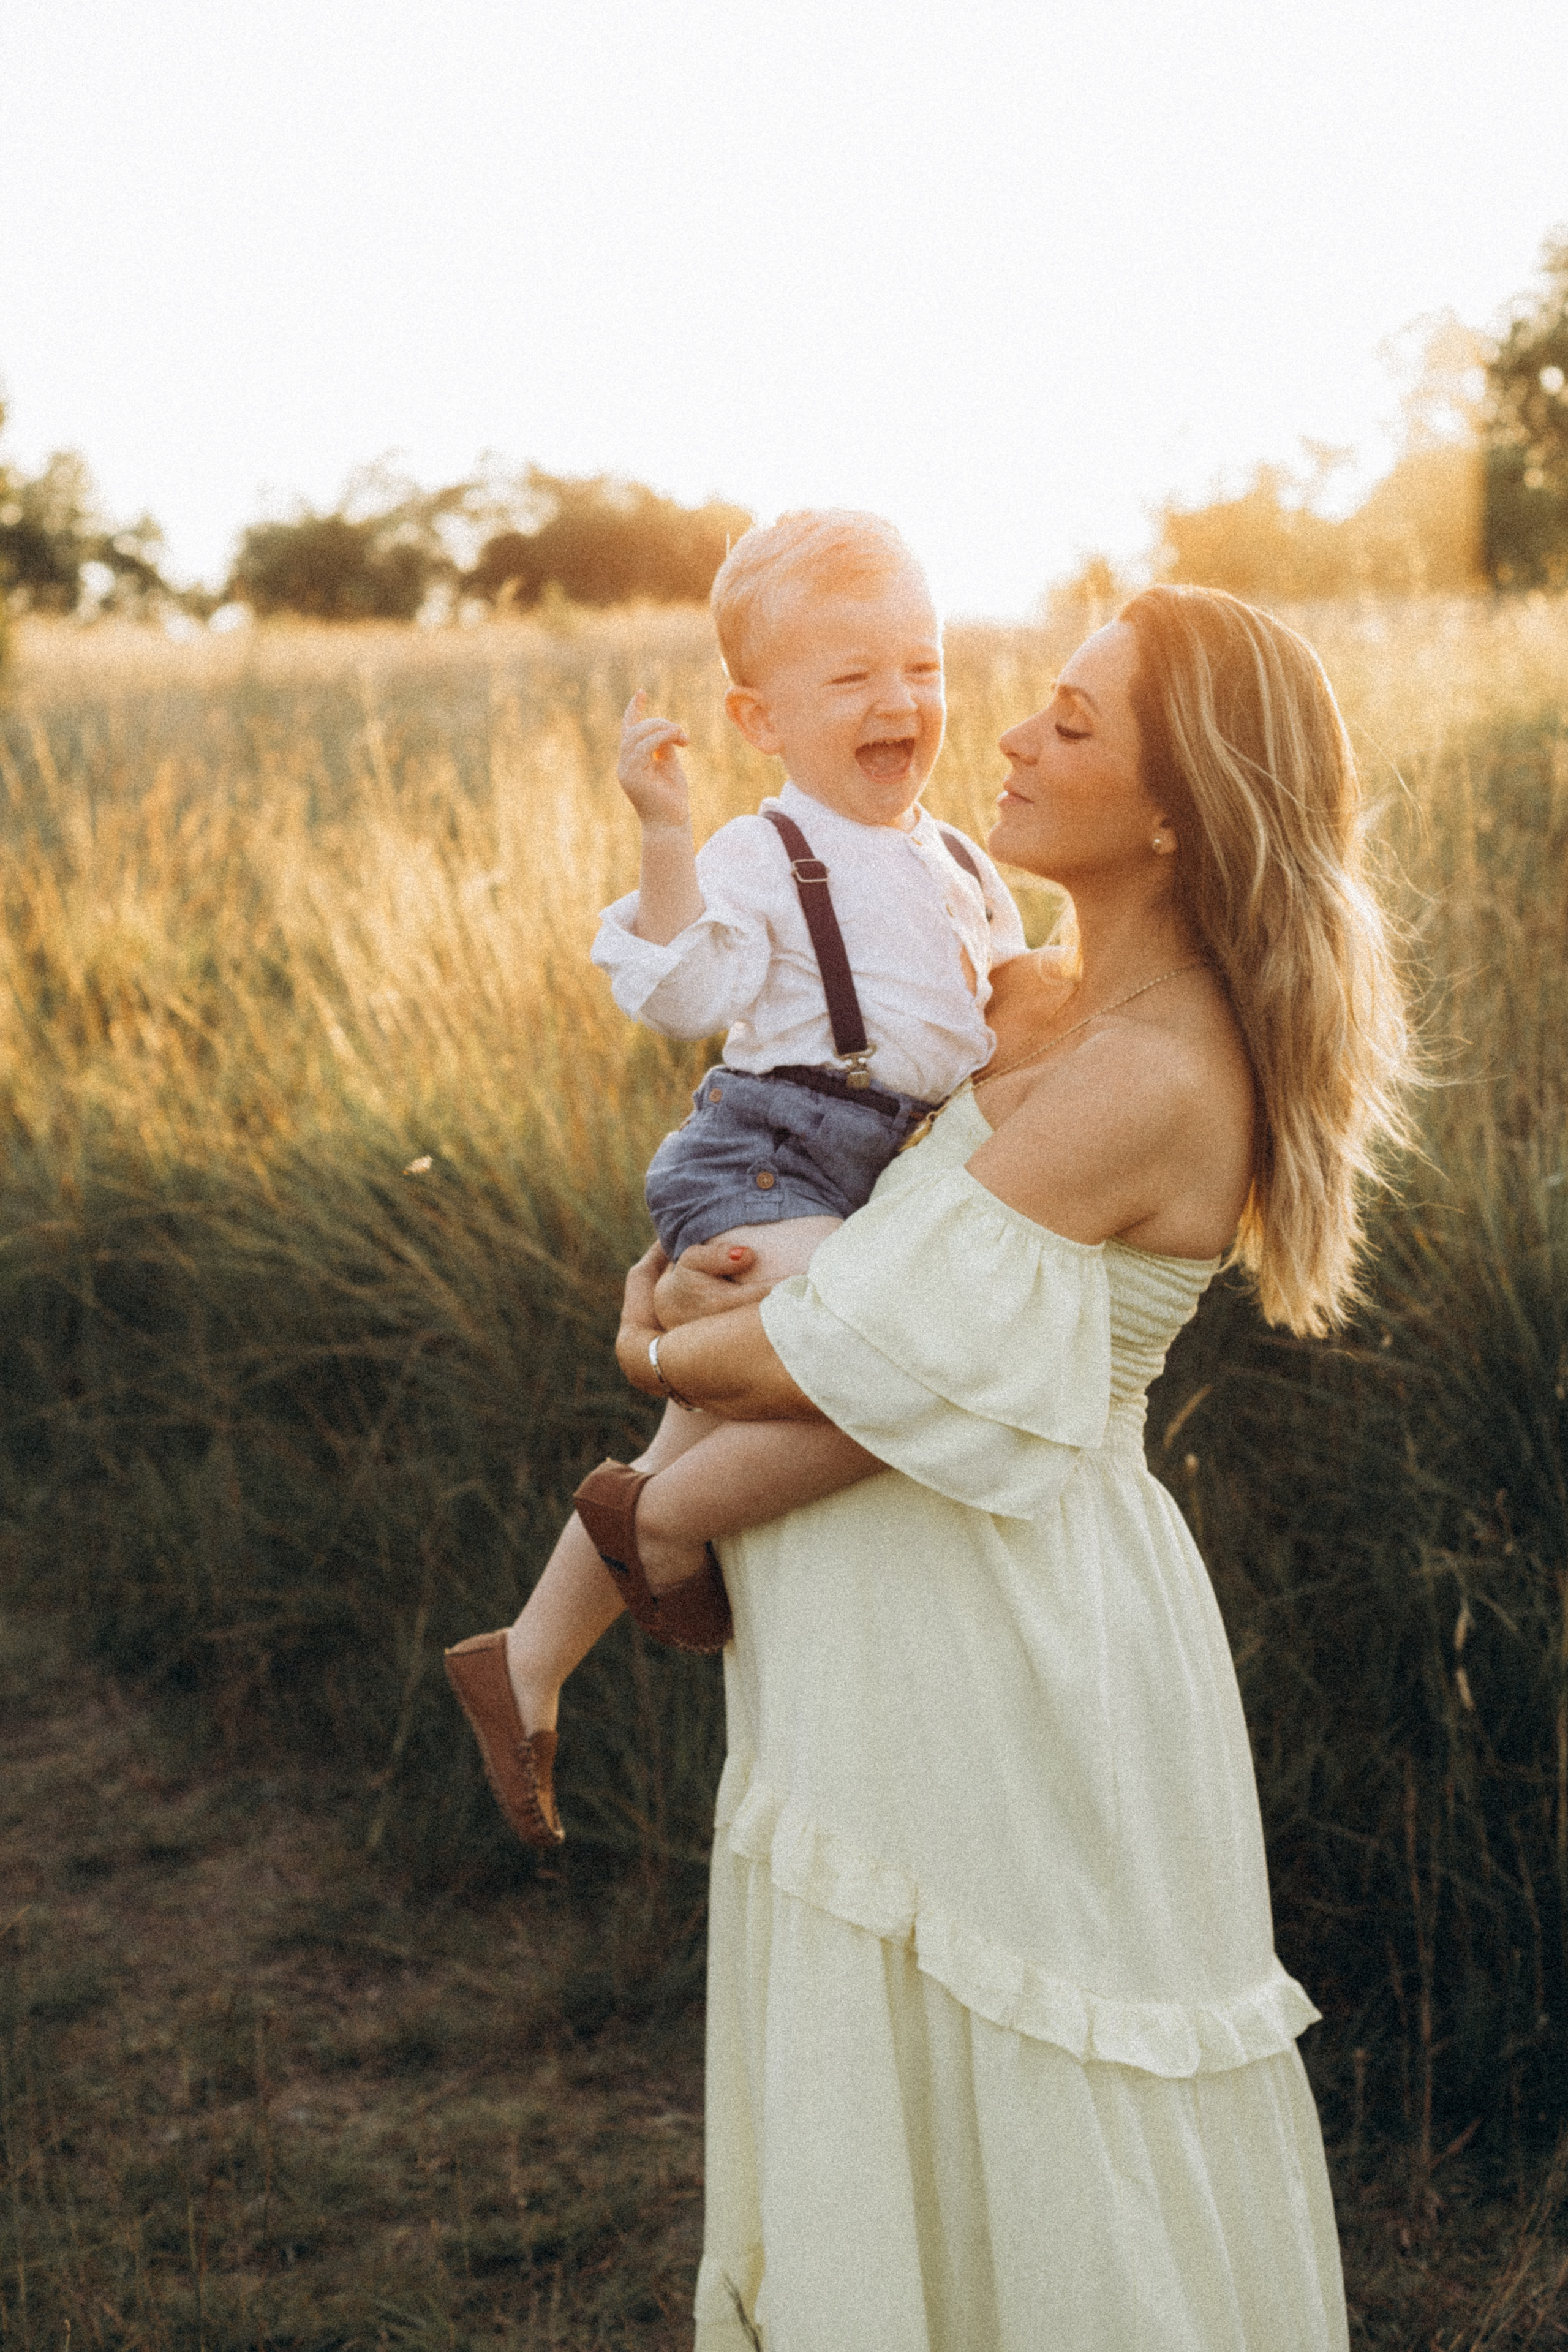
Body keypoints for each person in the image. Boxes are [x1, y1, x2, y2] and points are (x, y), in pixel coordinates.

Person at [605, 586, 1409, 2348]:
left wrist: (648, 1342)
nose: (1016, 740)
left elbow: (839, 1342)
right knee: (894, 2095)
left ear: (1179, 804)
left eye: (1072, 719)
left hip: (1001, 1646)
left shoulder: (1147, 1072)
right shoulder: (1028, 1011)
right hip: (892, 1629)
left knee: (1035, 2096)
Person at [444, 510, 1027, 1844]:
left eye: (921, 666)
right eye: (853, 678)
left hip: (883, 1169)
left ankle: (526, 1659)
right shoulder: (763, 852)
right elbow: (683, 992)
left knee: (694, 1419)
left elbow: (1000, 1026)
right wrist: (663, 834)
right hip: (763, 1156)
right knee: (871, 1336)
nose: (900, 701)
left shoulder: (959, 863)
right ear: (760, 721)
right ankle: (662, 1530)